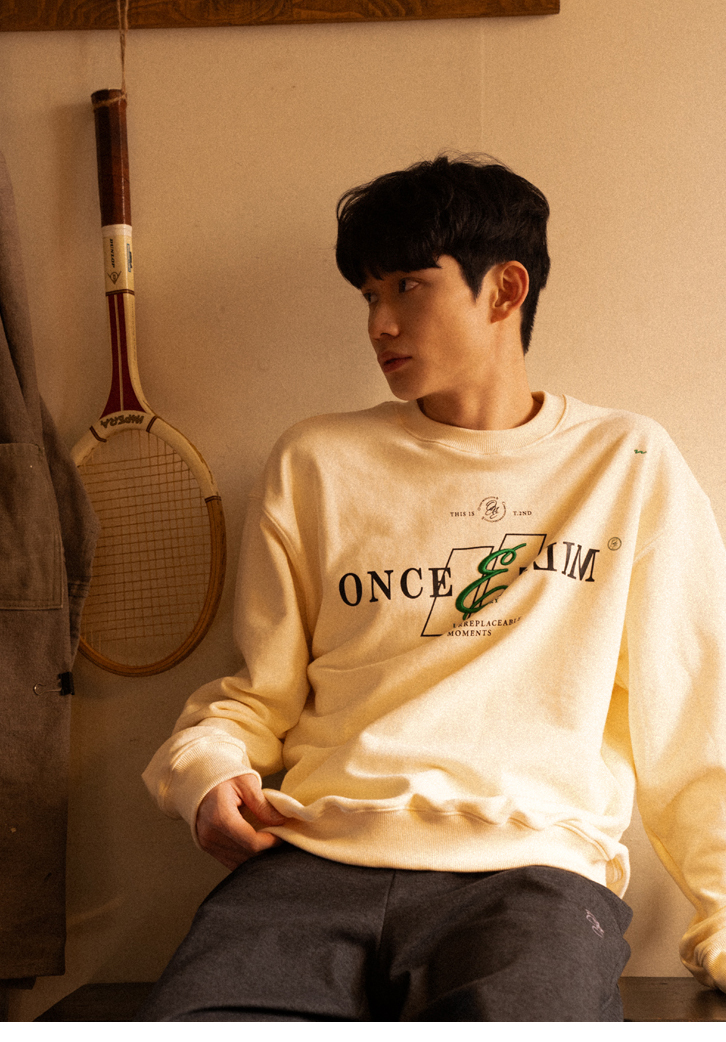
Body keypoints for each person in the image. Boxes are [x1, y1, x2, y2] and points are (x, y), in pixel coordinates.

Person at [139, 155, 726, 1021]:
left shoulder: (628, 462)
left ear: (504, 290)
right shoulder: (316, 462)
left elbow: (693, 725)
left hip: (529, 875)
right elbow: (259, 697)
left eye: (408, 287)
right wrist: (205, 770)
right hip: (308, 865)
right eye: (368, 295)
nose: (379, 323)